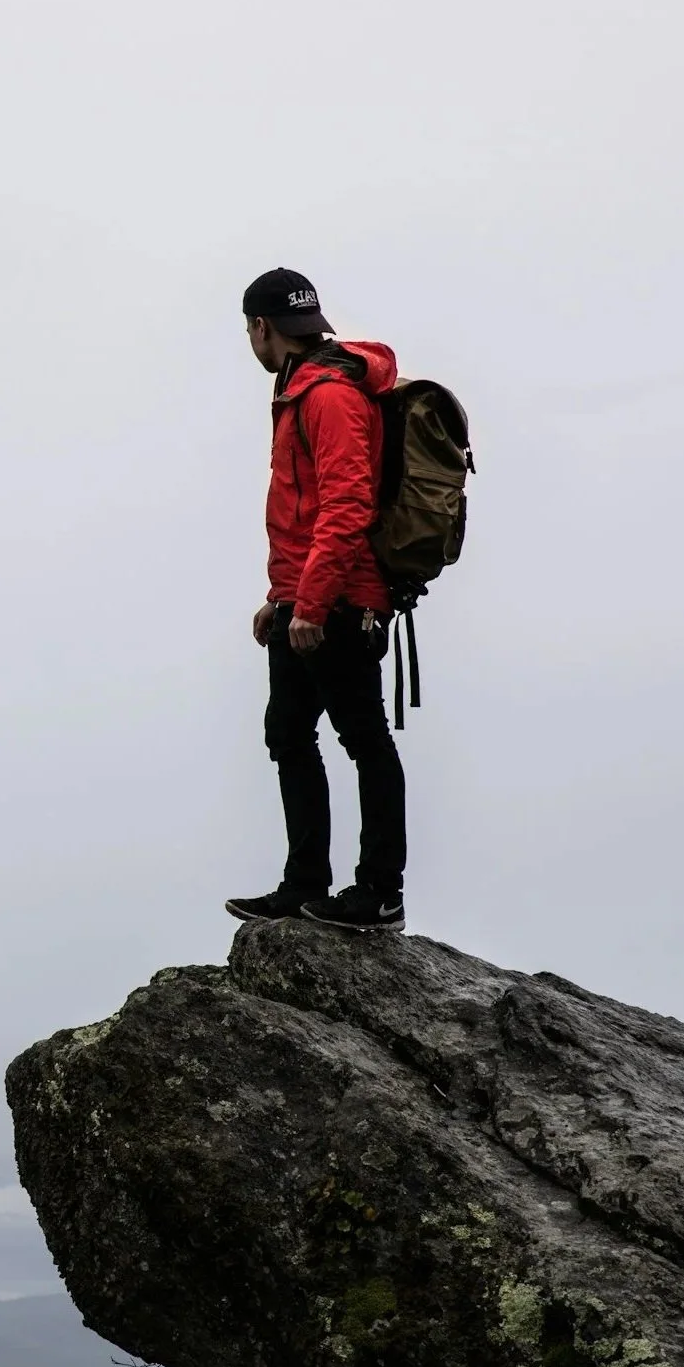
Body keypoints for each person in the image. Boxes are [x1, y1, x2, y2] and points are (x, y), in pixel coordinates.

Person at [223, 268, 408, 933]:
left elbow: (347, 505)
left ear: (261, 327)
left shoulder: (328, 395)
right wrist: (281, 599)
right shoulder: (298, 388)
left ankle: (380, 893)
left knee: (363, 738)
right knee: (289, 735)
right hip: (305, 596)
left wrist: (311, 602)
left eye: (249, 330)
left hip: (341, 599)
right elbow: (302, 511)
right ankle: (305, 885)